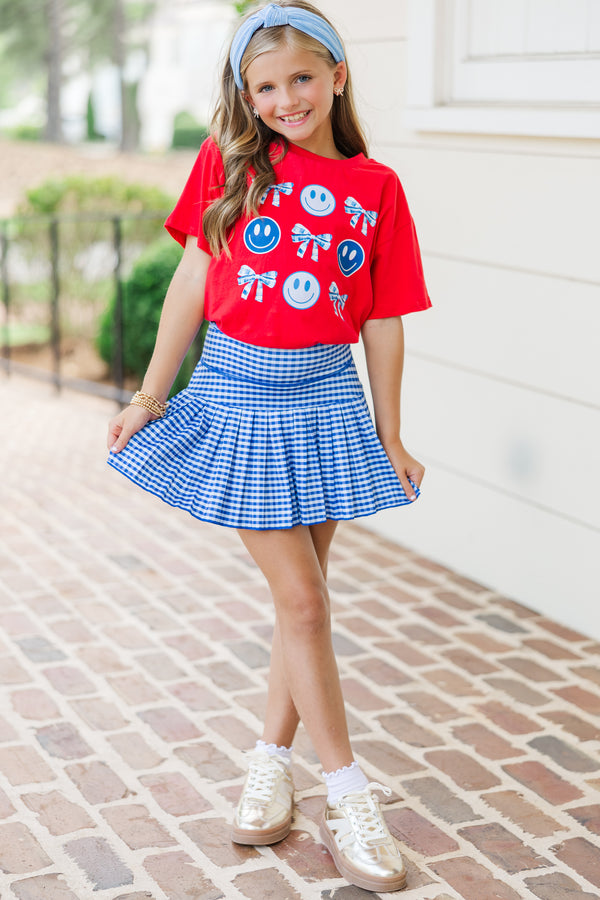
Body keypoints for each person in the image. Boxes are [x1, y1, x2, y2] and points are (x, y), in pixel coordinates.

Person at [107, 1, 430, 892]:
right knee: (307, 605)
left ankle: (267, 764)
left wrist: (390, 434)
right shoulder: (233, 163)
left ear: (337, 74)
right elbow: (192, 275)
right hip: (240, 400)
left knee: (306, 606)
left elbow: (385, 323)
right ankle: (347, 792)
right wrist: (149, 393)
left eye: (301, 77)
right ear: (245, 96)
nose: (286, 98)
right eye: (266, 86)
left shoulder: (377, 189)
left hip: (326, 405)